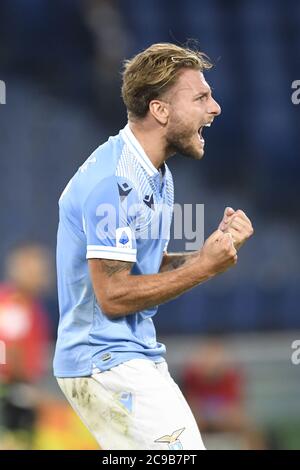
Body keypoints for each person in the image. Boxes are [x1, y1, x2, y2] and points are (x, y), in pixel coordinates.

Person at [53, 43, 254, 450]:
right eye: (200, 97)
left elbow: (138, 270)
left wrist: (208, 252)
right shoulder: (115, 183)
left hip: (128, 354)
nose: (214, 108)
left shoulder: (154, 173)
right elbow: (112, 295)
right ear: (160, 111)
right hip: (104, 359)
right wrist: (205, 268)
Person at [0, 242, 51, 449]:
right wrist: (25, 388)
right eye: (36, 270)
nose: (42, 276)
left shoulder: (31, 305)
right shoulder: (14, 303)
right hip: (11, 397)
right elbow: (8, 350)